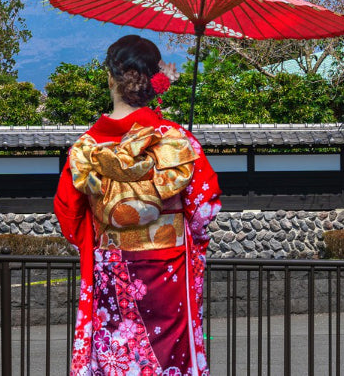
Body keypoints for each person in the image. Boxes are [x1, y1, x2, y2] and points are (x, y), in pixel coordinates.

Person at [54, 35, 222, 376]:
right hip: (168, 272)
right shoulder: (176, 140)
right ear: (153, 82)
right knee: (170, 361)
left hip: (112, 266)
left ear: (110, 77)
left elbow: (69, 217)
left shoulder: (85, 147)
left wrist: (110, 227)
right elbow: (204, 210)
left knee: (115, 356)